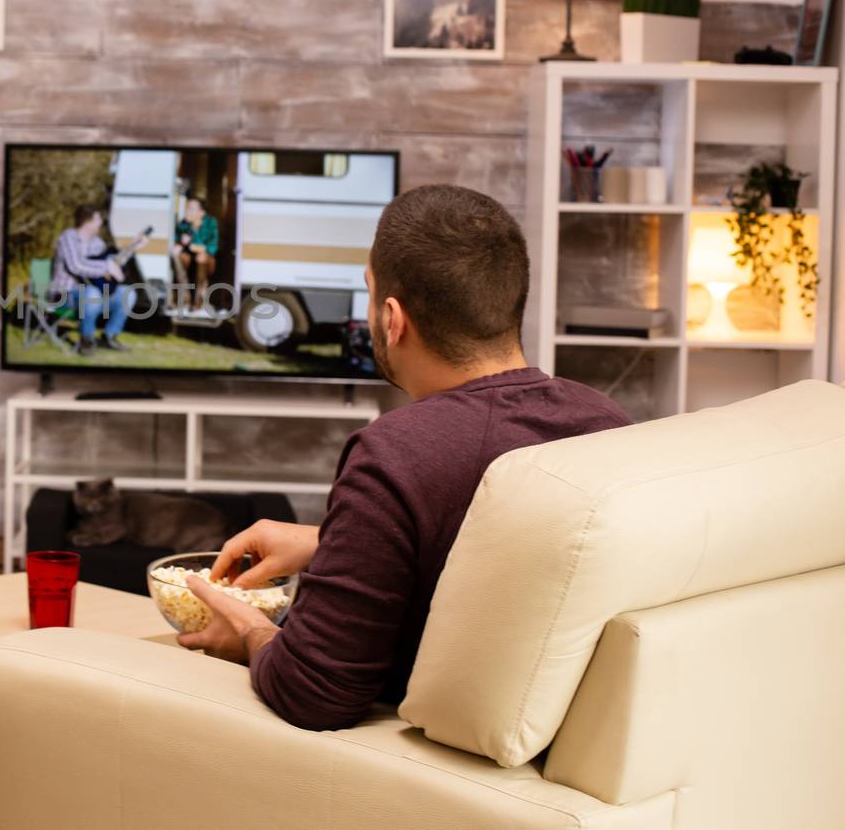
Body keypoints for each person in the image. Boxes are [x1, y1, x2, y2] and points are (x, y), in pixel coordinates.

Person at [175, 185, 631, 730]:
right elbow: (515, 553)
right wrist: (329, 543)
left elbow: (314, 694)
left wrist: (249, 632)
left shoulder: (395, 454)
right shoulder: (606, 422)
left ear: (393, 318)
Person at [51, 205, 146, 356]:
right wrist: (106, 267)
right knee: (92, 293)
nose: (101, 223)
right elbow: (76, 266)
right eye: (98, 219)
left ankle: (109, 337)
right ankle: (87, 339)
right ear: (87, 222)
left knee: (128, 293)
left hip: (90, 296)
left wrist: (132, 247)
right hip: (64, 295)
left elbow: (114, 261)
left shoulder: (97, 243)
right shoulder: (68, 237)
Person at [170, 197, 219, 312]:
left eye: (191, 209)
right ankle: (184, 300)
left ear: (201, 212)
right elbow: (176, 240)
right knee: (179, 257)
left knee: (201, 258)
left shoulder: (211, 223)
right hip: (188, 257)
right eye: (187, 209)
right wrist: (181, 242)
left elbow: (213, 246)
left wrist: (197, 246)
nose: (187, 212)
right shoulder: (184, 223)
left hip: (205, 258)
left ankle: (198, 302)